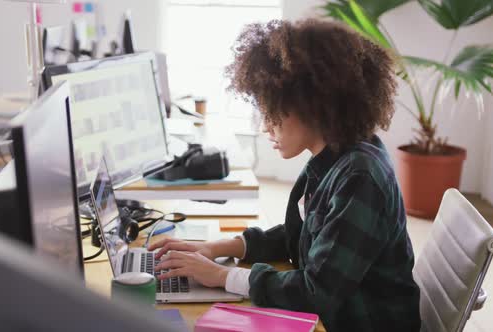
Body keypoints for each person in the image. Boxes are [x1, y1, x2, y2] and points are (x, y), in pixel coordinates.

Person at [149, 19, 421, 331]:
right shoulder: (333, 157)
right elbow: (298, 236)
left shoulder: (360, 177)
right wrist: (216, 249)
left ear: (313, 105)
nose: (266, 125)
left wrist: (222, 276)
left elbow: (317, 293)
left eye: (272, 111)